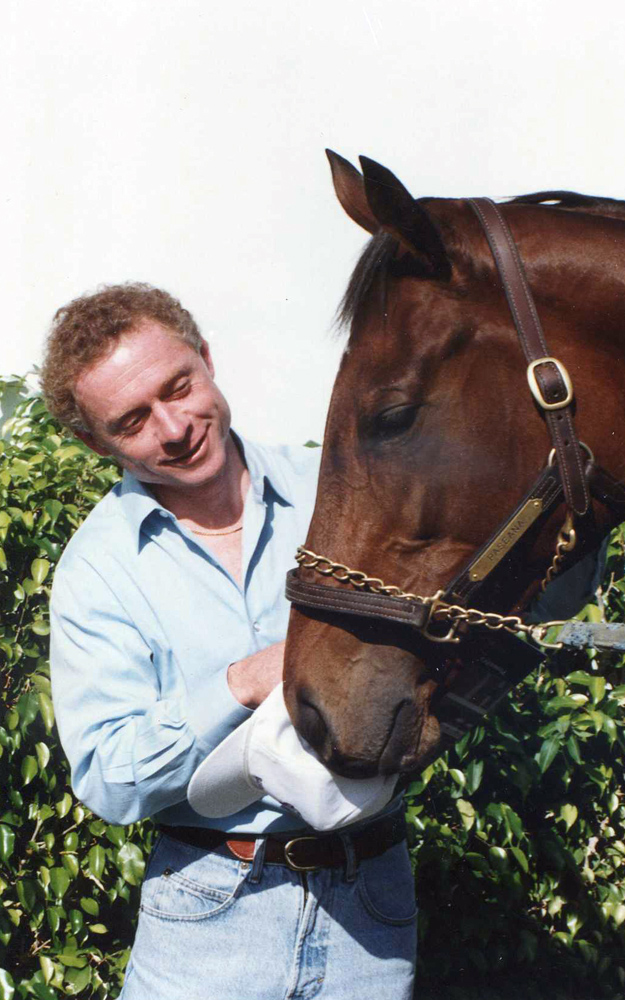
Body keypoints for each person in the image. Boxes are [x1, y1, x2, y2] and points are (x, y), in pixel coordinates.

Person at [42, 283, 417, 1000]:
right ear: (94, 443)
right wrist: (242, 682)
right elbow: (106, 776)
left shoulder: (343, 489)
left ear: (206, 360)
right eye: (132, 421)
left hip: (371, 903)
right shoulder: (97, 570)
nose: (174, 428)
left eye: (177, 388)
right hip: (208, 908)